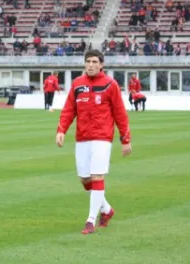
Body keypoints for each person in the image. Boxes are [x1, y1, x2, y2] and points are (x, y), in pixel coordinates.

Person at [55, 49, 132, 235]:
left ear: (101, 64)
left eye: (94, 61)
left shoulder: (110, 85)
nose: (90, 65)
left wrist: (125, 139)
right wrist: (61, 130)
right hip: (82, 137)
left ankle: (90, 220)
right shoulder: (77, 84)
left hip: (102, 138)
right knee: (85, 179)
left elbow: (120, 114)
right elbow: (68, 110)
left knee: (97, 176)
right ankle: (106, 210)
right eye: (88, 61)